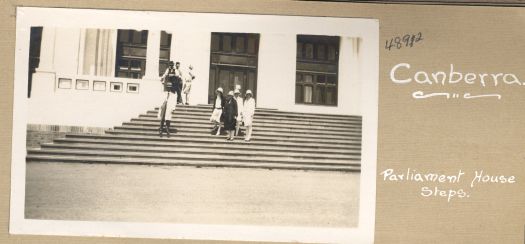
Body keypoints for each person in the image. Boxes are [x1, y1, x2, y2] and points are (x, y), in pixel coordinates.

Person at [158, 61, 179, 137]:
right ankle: (161, 128)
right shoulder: (167, 70)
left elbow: (177, 76)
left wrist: (174, 107)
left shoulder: (175, 71)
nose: (170, 66)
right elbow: (164, 76)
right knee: (163, 113)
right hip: (166, 95)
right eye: (169, 65)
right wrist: (163, 78)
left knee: (168, 114)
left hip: (172, 94)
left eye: (171, 65)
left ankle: (167, 128)